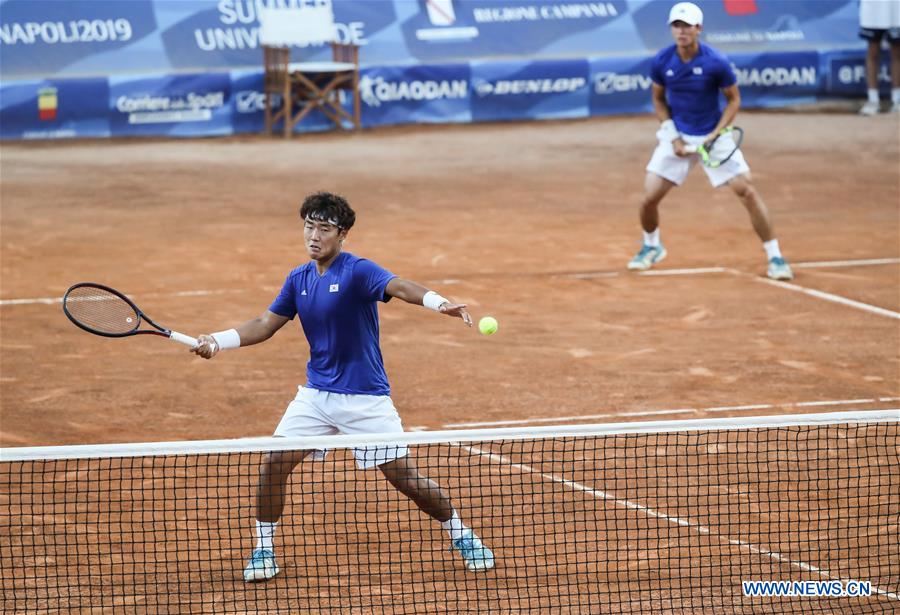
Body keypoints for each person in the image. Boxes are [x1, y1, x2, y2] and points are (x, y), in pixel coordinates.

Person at [191, 191, 494, 582]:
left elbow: (399, 286)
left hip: (366, 399)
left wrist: (438, 303)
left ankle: (462, 534)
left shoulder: (357, 271)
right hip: (316, 397)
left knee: (406, 479)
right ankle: (263, 549)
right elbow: (265, 324)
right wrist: (218, 339)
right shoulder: (298, 278)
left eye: (324, 228)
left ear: (342, 234)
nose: (313, 236)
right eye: (308, 226)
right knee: (273, 464)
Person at [627, 2, 793, 281]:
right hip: (677, 134)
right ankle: (652, 247)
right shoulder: (662, 61)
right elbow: (658, 99)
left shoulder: (716, 62)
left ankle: (775, 256)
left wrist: (716, 134)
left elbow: (733, 100)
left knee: (747, 191)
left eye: (687, 26)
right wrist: (673, 136)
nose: (681, 31)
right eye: (676, 26)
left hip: (713, 136)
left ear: (698, 29)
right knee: (648, 199)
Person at [858, 0, 900, 115]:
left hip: (896, 9)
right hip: (873, 10)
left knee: (897, 53)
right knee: (873, 51)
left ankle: (897, 100)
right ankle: (873, 100)